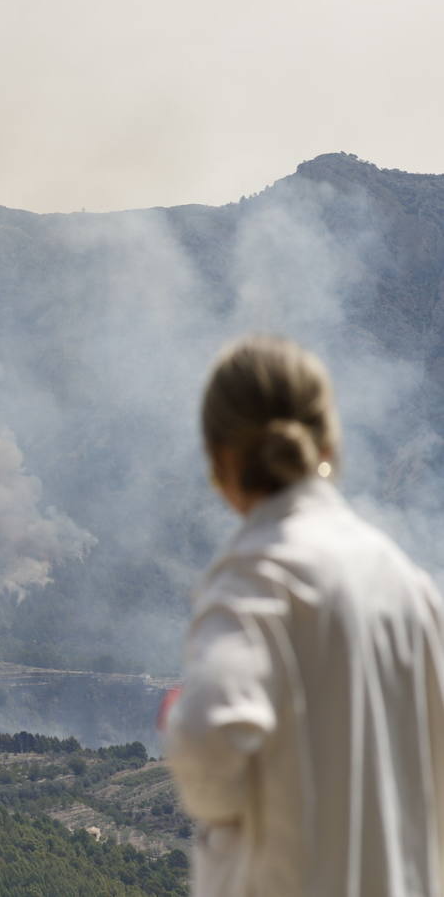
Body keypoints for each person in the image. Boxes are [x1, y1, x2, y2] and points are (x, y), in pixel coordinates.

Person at [166, 334, 444, 896]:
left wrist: (177, 720)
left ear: (221, 459)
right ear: (328, 445)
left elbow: (207, 742)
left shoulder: (258, 577)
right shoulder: (408, 585)